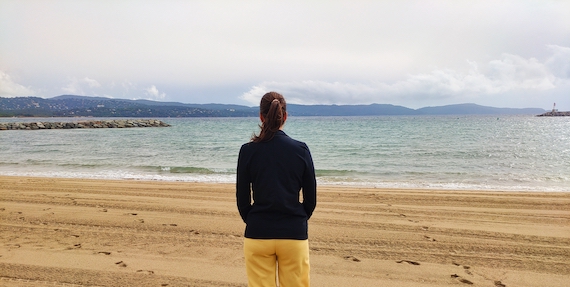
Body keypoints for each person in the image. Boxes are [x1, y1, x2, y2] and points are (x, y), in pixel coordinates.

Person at [236, 91, 317, 287]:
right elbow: (310, 199)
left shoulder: (247, 151)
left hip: (258, 232)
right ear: (285, 116)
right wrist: (297, 217)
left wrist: (255, 219)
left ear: (261, 116)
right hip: (293, 233)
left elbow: (242, 200)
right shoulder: (301, 150)